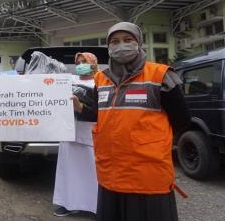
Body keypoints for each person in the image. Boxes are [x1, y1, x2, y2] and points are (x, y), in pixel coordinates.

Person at [89, 21, 191, 221]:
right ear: (108, 47)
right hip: (110, 174)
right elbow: (97, 115)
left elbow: (182, 120)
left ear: (139, 43)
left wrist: (150, 141)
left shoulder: (161, 75)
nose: (121, 45)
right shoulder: (100, 79)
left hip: (147, 175)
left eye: (128, 40)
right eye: (115, 41)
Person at [52, 52, 98, 217]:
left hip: (89, 135)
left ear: (93, 64)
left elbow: (99, 112)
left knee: (92, 172)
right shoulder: (68, 80)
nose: (80, 65)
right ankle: (68, 203)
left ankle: (96, 207)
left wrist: (79, 108)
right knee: (69, 170)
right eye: (78, 62)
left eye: (84, 61)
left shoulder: (100, 82)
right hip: (68, 132)